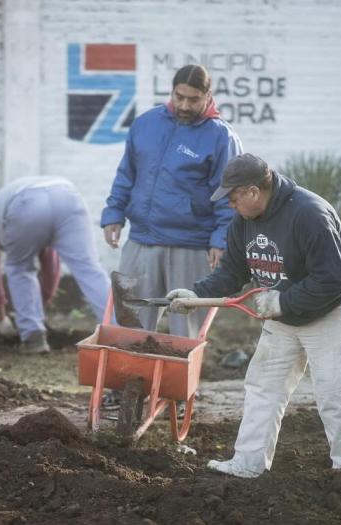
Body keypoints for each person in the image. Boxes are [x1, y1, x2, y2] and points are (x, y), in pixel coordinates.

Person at [166, 154, 341, 478]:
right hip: (286, 310)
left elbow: (335, 278)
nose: (230, 204)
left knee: (332, 388)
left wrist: (283, 302)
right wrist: (196, 296)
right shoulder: (243, 221)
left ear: (253, 191)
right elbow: (232, 270)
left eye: (233, 197)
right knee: (263, 385)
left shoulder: (309, 214)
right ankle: (248, 463)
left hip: (335, 309)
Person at [101, 64, 242, 338]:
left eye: (193, 99)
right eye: (179, 97)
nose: (185, 105)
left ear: (208, 96)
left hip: (191, 246)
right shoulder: (145, 124)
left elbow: (230, 194)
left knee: (185, 330)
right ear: (172, 92)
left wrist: (221, 239)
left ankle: (180, 381)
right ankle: (130, 380)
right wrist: (114, 212)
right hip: (142, 241)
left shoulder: (221, 136)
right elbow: (126, 173)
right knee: (130, 322)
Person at [0, 176, 110, 354]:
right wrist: (42, 303)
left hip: (27, 202)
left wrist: (1, 318)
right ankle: (120, 334)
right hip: (68, 195)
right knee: (89, 268)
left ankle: (33, 339)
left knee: (19, 267)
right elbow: (52, 269)